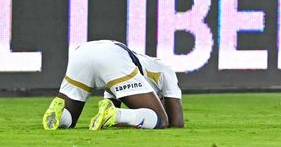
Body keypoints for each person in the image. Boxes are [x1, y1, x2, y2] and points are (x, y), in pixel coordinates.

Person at [41, 39, 183, 131]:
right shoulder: (166, 70)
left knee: (69, 120)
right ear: (161, 98)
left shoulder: (136, 73)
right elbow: (177, 123)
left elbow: (108, 110)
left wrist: (117, 117)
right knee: (161, 120)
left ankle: (59, 113)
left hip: (82, 52)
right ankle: (118, 115)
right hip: (112, 56)